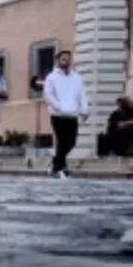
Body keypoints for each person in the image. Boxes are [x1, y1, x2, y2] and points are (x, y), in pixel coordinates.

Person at [43, 50, 89, 178]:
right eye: (63, 59)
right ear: (58, 60)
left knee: (71, 142)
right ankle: (59, 168)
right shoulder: (51, 77)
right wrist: (58, 106)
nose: (66, 61)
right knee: (62, 141)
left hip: (72, 114)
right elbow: (48, 94)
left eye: (68, 59)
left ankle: (55, 163)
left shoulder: (77, 78)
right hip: (58, 115)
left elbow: (81, 95)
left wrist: (84, 110)